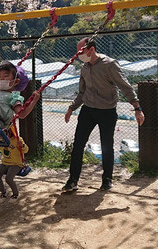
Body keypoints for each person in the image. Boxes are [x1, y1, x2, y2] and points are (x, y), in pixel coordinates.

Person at [62, 38, 145, 192]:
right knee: (78, 145)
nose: (78, 55)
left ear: (91, 49)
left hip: (107, 110)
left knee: (107, 146)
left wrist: (137, 107)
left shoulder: (109, 64)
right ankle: (73, 180)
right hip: (88, 109)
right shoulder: (84, 68)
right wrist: (71, 108)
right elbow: (82, 92)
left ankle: (107, 179)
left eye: (81, 51)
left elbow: (124, 86)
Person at [0, 127, 29, 199]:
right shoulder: (1, 140)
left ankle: (15, 194)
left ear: (10, 132)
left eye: (5, 134)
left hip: (16, 164)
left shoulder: (17, 139)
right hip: (5, 163)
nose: (4, 136)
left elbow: (26, 150)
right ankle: (3, 192)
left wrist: (22, 145)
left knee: (8, 178)